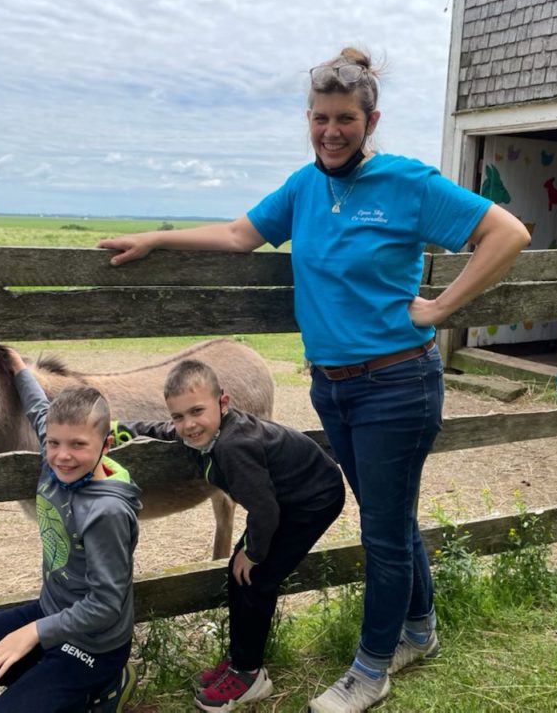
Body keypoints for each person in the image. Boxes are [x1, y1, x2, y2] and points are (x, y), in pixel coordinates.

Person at [98, 46, 531, 712]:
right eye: (321, 118)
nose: (332, 132)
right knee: (391, 518)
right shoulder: (305, 187)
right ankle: (419, 630)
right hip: (335, 388)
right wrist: (159, 239)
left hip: (396, 385)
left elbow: (506, 232)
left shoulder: (407, 184)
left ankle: (371, 668)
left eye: (346, 119)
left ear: (371, 119)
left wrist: (443, 308)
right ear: (309, 118)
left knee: (383, 531)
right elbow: (242, 235)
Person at [111, 358, 345, 711]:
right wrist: (125, 429)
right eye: (179, 416)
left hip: (312, 501)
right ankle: (241, 661)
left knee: (255, 578)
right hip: (285, 501)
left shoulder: (234, 447)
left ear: (223, 402)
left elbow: (264, 511)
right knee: (241, 577)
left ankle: (249, 675)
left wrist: (252, 552)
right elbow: (164, 429)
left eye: (196, 412)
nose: (188, 425)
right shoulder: (207, 430)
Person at [0, 347, 142, 713]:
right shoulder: (55, 449)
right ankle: (51, 686)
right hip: (51, 611)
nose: (62, 455)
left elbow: (108, 606)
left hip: (92, 644)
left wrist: (32, 633)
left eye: (79, 445)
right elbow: (38, 409)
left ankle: (106, 683)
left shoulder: (106, 511)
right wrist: (17, 369)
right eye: (54, 443)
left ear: (105, 445)